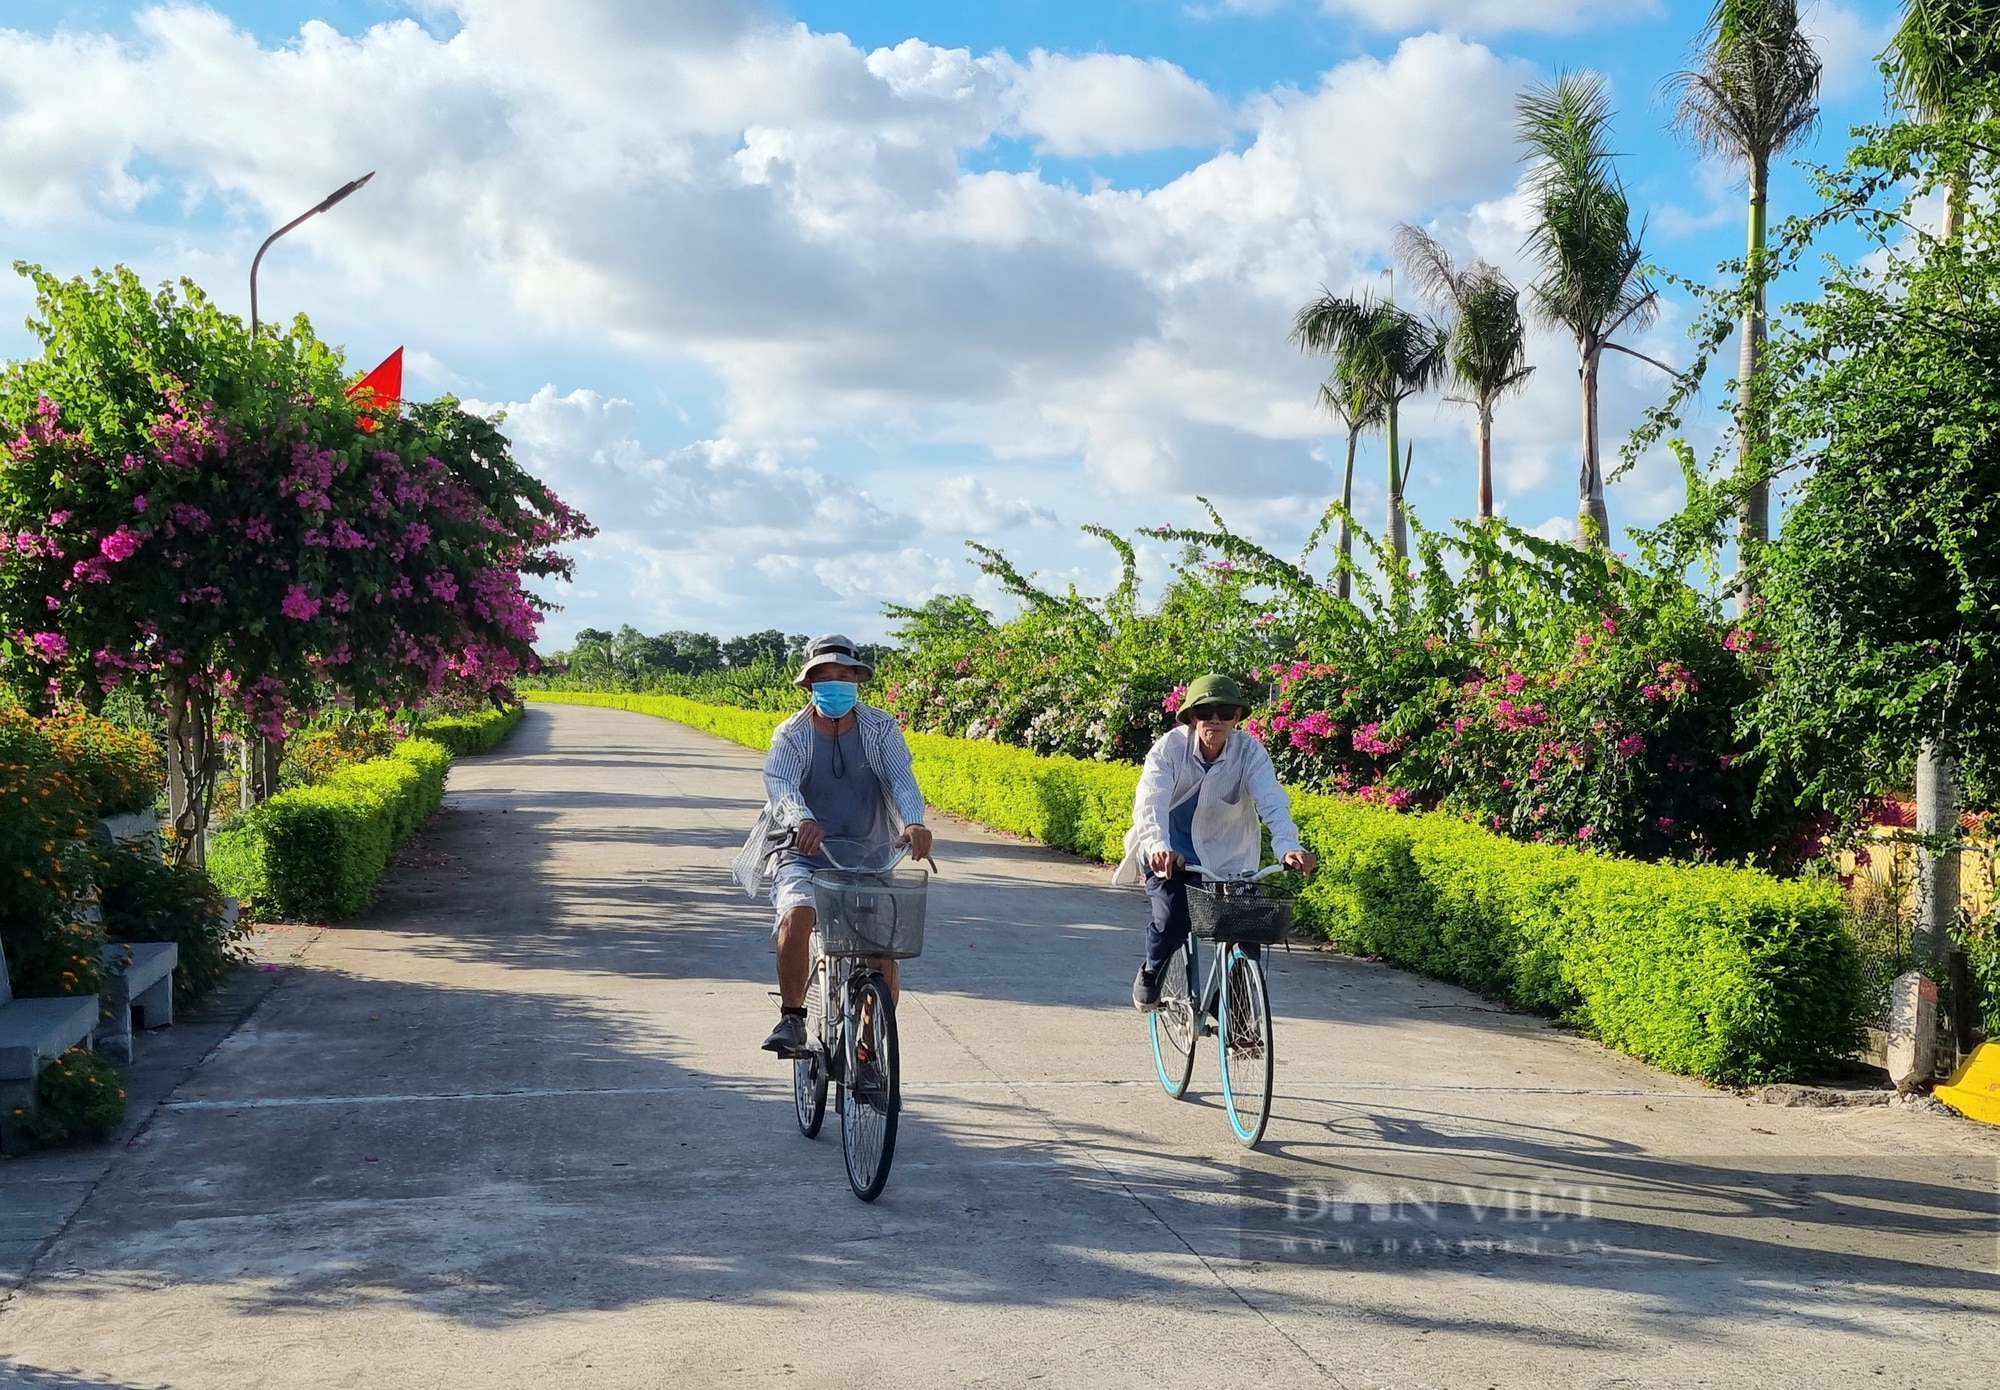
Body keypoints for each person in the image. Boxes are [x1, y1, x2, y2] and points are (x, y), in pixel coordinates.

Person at [732, 633, 934, 1056]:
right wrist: (802, 818)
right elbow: (780, 783)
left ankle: (869, 1044)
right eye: (826, 676)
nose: (836, 683)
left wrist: (914, 822)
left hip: (871, 854)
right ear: (810, 684)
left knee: (883, 950)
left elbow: (902, 778)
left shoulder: (881, 727)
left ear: (858, 680)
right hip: (805, 853)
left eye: (845, 675)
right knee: (797, 913)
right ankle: (792, 1017)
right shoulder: (792, 733)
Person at [1113, 673, 1316, 1010]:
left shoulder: (1250, 752)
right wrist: (1160, 846)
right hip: (1172, 854)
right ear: (1193, 717)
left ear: (1237, 716)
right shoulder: (1169, 750)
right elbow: (1150, 804)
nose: (1215, 720)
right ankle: (1151, 970)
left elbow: (1272, 801)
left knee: (1248, 930)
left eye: (1225, 712)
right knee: (1173, 919)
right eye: (1206, 712)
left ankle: (1237, 1022)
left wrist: (1288, 847)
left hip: (1229, 858)